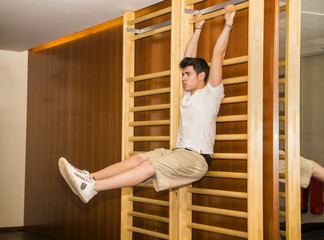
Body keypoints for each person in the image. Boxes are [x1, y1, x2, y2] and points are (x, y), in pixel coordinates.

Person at [58, 5, 236, 203]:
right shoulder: (187, 95)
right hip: (177, 152)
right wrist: (198, 28)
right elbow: (190, 57)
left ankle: (93, 188)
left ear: (202, 76)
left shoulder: (211, 94)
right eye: (183, 74)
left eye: (188, 75)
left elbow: (218, 53)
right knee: (136, 160)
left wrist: (228, 22)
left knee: (145, 168)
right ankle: (89, 177)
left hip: (197, 159)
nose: (183, 78)